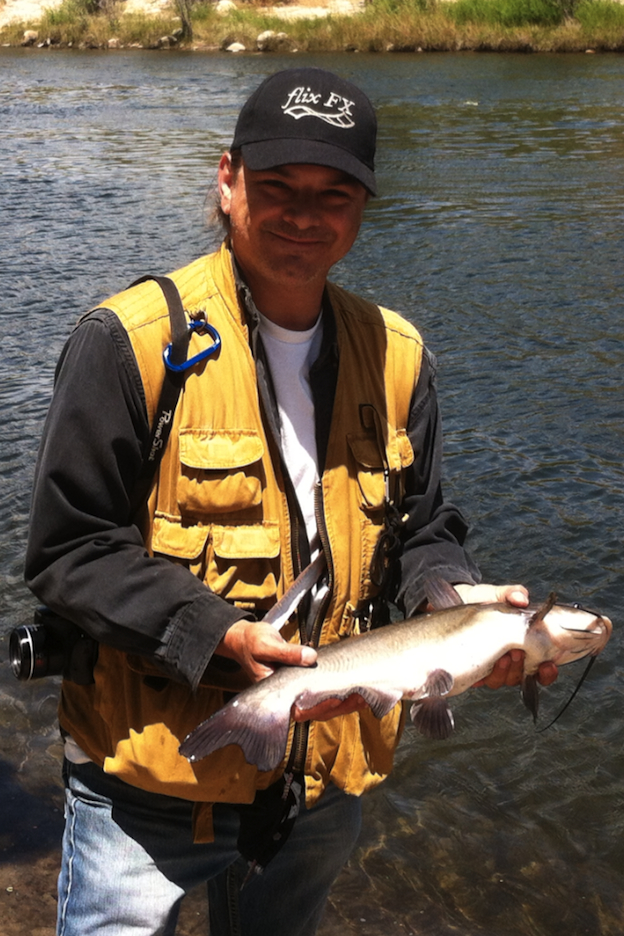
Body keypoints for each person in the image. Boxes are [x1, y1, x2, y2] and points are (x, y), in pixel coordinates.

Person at [25, 67, 556, 936]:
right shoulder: (128, 343)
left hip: (320, 786)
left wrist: (451, 600)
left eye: (334, 194)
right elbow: (68, 550)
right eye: (278, 188)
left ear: (362, 206)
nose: (305, 216)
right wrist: (215, 636)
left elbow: (423, 526)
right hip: (147, 787)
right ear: (227, 178)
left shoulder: (400, 356)